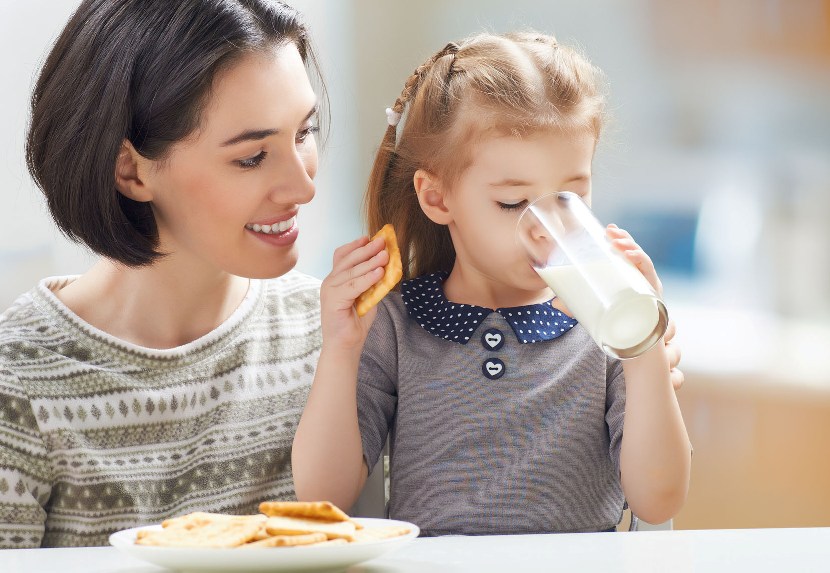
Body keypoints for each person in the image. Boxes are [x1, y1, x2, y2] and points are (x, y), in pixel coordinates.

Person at [293, 31, 691, 535]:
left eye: (571, 197)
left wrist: (644, 351)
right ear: (437, 198)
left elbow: (658, 502)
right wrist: (341, 349)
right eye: (512, 203)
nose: (548, 229)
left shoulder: (606, 323)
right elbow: (321, 496)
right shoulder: (397, 323)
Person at [0, 0, 325, 548]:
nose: (303, 187)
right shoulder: (21, 380)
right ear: (130, 169)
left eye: (303, 133)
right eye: (252, 157)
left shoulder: (332, 335)